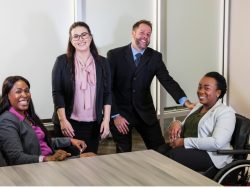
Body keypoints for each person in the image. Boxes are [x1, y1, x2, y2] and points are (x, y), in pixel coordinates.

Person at [107, 19, 194, 153]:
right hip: (121, 114)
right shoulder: (114, 55)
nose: (145, 37)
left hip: (145, 113)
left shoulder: (155, 57)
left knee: (160, 151)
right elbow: (108, 87)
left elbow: (167, 80)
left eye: (148, 34)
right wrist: (115, 115)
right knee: (123, 154)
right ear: (133, 33)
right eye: (142, 32)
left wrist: (185, 102)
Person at [52, 21, 111, 154]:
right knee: (68, 166)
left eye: (84, 35)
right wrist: (63, 120)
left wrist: (106, 120)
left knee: (90, 165)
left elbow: (107, 93)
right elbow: (57, 93)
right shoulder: (62, 62)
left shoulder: (103, 63)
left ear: (90, 37)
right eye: (76, 36)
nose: (80, 39)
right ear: (71, 40)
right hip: (69, 123)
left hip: (93, 125)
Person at [0, 76, 87, 166]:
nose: (25, 95)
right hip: (36, 168)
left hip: (50, 161)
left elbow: (40, 141)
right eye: (18, 91)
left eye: (26, 91)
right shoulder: (6, 121)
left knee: (89, 156)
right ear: (7, 96)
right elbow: (16, 158)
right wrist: (47, 159)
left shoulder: (28, 116)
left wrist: (70, 141)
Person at [162, 71, 236, 171]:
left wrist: (184, 142)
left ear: (218, 92)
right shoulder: (198, 106)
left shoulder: (225, 112)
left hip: (210, 154)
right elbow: (187, 125)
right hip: (192, 149)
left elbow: (217, 143)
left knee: (171, 156)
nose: (201, 91)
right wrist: (177, 123)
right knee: (159, 151)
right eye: (200, 87)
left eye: (207, 88)